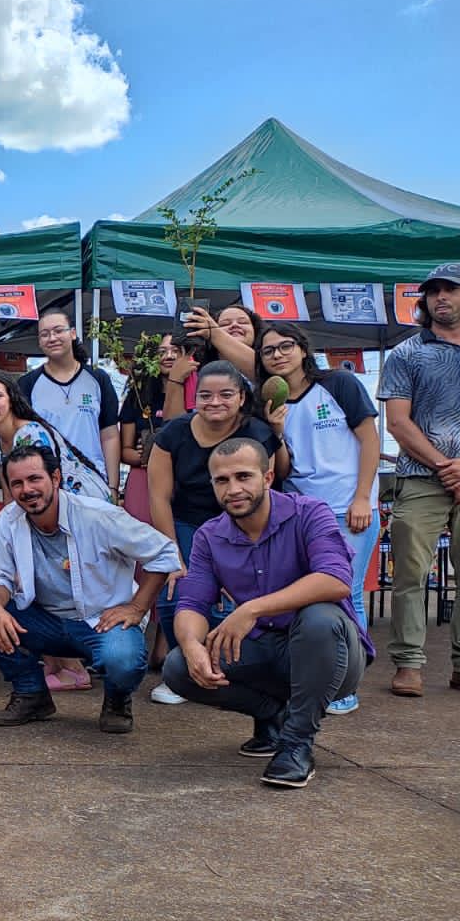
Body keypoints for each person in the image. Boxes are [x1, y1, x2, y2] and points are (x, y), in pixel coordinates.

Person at [161, 438, 373, 788]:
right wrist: (191, 646)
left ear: (268, 477)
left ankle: (296, 744)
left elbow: (335, 580)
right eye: (222, 480)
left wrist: (253, 608)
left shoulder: (309, 513)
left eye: (244, 476)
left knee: (320, 618)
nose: (233, 489)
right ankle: (273, 714)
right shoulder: (209, 536)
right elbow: (192, 604)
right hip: (264, 650)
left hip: (329, 654)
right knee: (177, 668)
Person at [0, 446, 183, 734]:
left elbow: (164, 552)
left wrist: (137, 607)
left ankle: (117, 699)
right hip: (45, 621)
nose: (27, 490)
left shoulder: (97, 515)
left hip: (101, 622)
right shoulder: (9, 519)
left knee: (122, 659)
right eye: (17, 483)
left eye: (34, 479)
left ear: (55, 478)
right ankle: (31, 693)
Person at [378, 263, 460, 698]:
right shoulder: (406, 352)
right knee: (410, 572)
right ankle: (408, 663)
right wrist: (448, 467)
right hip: (420, 476)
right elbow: (398, 422)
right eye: (433, 291)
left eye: (450, 289)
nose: (440, 297)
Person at [145, 360, 288, 705]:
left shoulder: (257, 432)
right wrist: (173, 555)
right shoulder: (173, 434)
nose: (215, 402)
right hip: (186, 522)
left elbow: (270, 485)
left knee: (231, 600)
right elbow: (159, 497)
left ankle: (226, 666)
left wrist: (277, 433)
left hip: (238, 525)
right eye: (205, 395)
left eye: (226, 394)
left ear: (242, 398)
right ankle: (183, 667)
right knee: (175, 590)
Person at [257, 323, 380, 714]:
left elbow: (370, 439)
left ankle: (345, 686)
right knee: (303, 598)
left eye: (285, 346)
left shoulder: (339, 383)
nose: (278, 355)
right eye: (268, 351)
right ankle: (311, 679)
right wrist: (276, 432)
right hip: (301, 512)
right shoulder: (270, 401)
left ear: (302, 349)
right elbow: (283, 470)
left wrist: (363, 498)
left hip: (347, 508)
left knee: (346, 593)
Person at [0, 369, 111, 691]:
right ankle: (56, 662)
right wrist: (6, 536)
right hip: (42, 511)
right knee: (29, 574)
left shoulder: (30, 435)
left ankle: (73, 668)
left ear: (12, 399)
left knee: (48, 578)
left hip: (77, 509)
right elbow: (12, 492)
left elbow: (45, 488)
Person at [17, 309, 120, 492]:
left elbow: (110, 435)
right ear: (39, 342)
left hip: (94, 482)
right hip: (47, 484)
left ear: (72, 333)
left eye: (58, 331)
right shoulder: (27, 384)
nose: (52, 338)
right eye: (45, 334)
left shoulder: (98, 378)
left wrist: (112, 486)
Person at [0, 370, 114, 504]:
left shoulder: (31, 436)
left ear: (11, 400)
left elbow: (46, 495)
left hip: (85, 501)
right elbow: (9, 496)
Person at [119, 335, 192, 524]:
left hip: (186, 479)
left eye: (175, 351)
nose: (169, 356)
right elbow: (124, 451)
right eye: (162, 352)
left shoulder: (198, 393)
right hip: (144, 478)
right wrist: (145, 456)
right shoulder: (137, 396)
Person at [181, 303, 264, 372]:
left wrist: (215, 333)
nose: (235, 325)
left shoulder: (269, 362)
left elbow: (261, 370)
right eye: (225, 324)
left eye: (243, 322)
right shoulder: (197, 370)